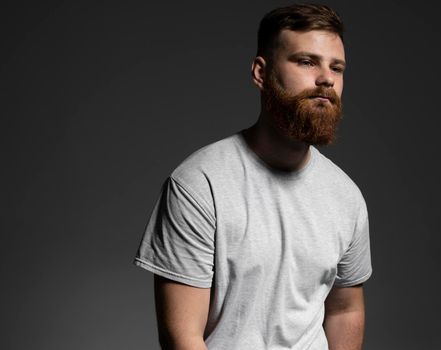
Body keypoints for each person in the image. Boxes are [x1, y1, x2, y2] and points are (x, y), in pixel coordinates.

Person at [134, 4, 372, 350]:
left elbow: (345, 310)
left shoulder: (346, 197)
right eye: (307, 62)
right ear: (261, 72)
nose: (327, 79)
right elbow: (182, 337)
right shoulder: (199, 185)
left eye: (337, 67)